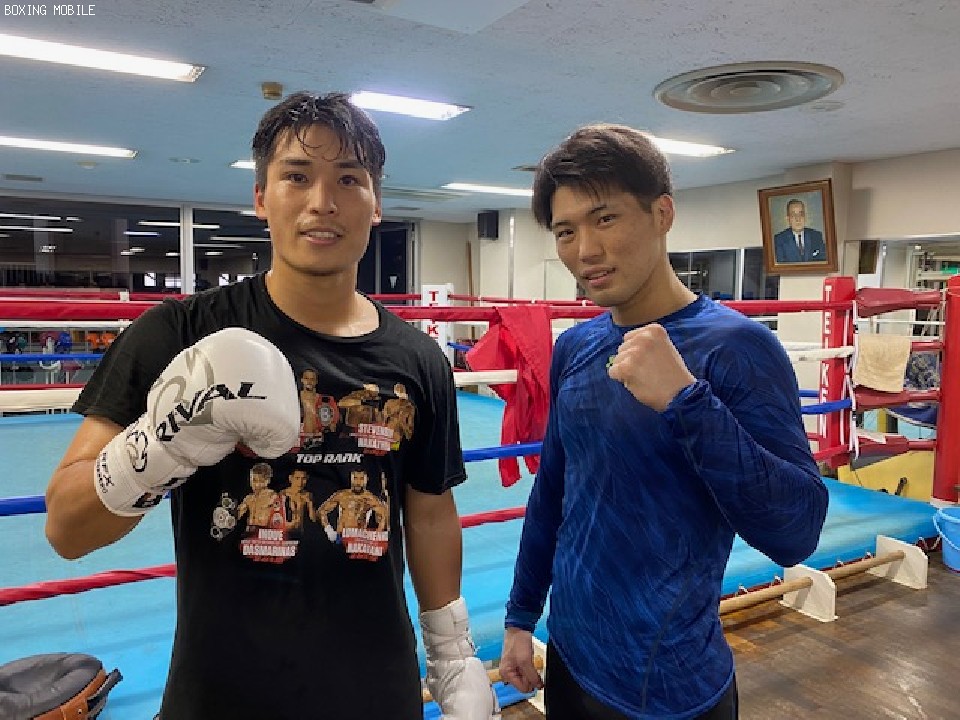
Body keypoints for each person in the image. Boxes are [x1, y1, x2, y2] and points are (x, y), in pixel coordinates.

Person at [44, 91, 498, 720]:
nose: (322, 201)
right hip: (220, 693)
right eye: (297, 176)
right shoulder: (179, 334)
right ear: (261, 197)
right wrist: (164, 443)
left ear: (376, 204)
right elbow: (66, 529)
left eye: (348, 179)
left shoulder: (419, 359)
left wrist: (452, 653)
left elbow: (429, 512)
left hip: (375, 688)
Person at [498, 124, 829, 719]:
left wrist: (687, 402)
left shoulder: (736, 349)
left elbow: (796, 532)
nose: (585, 251)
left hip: (674, 688)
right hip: (571, 663)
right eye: (566, 231)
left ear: (662, 214)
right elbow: (554, 494)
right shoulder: (576, 347)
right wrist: (521, 616)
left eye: (605, 218)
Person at [773, 198, 826, 263]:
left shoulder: (816, 236)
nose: (798, 219)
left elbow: (823, 261)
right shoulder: (779, 239)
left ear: (805, 217)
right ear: (788, 219)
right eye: (793, 215)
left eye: (801, 214)